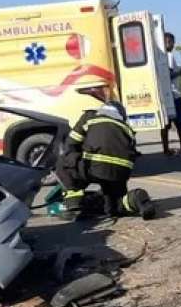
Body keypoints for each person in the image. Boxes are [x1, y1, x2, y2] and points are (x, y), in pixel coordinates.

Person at [56, 89, 156, 219]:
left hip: (94, 167)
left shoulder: (90, 117)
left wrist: (77, 167)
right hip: (119, 174)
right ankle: (137, 198)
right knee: (114, 207)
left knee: (62, 162)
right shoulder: (127, 129)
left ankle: (74, 205)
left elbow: (70, 144)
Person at [161, 32, 181, 155]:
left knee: (166, 124)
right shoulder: (168, 56)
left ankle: (166, 149)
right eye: (168, 42)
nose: (171, 44)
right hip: (174, 94)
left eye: (171, 42)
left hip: (165, 94)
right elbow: (169, 74)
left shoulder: (160, 56)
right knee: (180, 123)